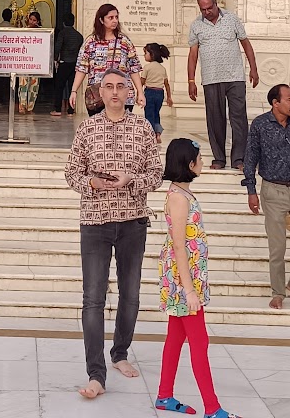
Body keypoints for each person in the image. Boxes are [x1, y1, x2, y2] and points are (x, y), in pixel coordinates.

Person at [63, 68, 162, 400]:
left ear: (129, 92)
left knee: (130, 294)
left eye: (121, 86)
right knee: (92, 299)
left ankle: (120, 352)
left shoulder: (143, 127)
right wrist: (92, 182)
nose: (116, 92)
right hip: (94, 222)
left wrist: (130, 180)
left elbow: (156, 173)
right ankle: (96, 374)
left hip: (133, 222)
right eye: (109, 87)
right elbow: (72, 172)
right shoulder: (87, 128)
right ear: (100, 93)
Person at [156, 137, 240, 418]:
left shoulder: (182, 193)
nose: (203, 162)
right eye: (200, 158)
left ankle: (164, 395)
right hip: (184, 280)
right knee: (199, 342)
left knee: (175, 337)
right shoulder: (179, 198)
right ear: (189, 164)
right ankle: (213, 408)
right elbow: (179, 245)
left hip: (186, 276)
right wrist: (190, 290)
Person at [243, 84, 290, 308]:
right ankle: (278, 293)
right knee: (278, 248)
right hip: (272, 191)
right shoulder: (260, 125)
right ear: (276, 103)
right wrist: (251, 191)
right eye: (289, 100)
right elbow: (250, 159)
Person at [186, 0, 258, 172]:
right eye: (203, 9)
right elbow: (193, 54)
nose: (207, 12)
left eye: (210, 8)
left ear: (216, 4)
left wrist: (253, 69)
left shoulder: (232, 19)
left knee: (239, 118)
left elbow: (246, 44)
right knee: (215, 119)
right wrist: (191, 80)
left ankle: (239, 158)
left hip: (235, 77)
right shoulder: (196, 26)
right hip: (211, 79)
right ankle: (219, 158)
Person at [72, 4, 145, 119]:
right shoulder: (90, 42)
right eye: (110, 18)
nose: (114, 20)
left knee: (121, 130)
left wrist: (140, 92)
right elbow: (82, 68)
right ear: (101, 20)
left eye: (116, 17)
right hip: (98, 95)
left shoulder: (124, 41)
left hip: (122, 95)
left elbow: (133, 68)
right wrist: (74, 91)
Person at [53, 11, 83, 117]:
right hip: (74, 64)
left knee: (59, 86)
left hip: (64, 62)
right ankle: (71, 110)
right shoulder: (79, 36)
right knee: (72, 87)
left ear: (64, 22)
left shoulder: (62, 33)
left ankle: (58, 109)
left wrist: (55, 59)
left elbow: (58, 47)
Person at [141, 44, 172, 135]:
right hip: (160, 93)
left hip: (149, 92)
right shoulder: (162, 68)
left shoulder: (147, 67)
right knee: (156, 113)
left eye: (145, 53)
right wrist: (169, 97)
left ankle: (150, 133)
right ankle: (158, 133)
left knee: (149, 113)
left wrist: (139, 93)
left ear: (152, 54)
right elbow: (167, 84)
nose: (144, 55)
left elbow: (142, 81)